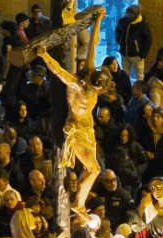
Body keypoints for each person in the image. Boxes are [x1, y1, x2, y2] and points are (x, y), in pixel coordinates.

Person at [34, 8, 107, 218]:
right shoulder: (76, 86)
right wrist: (45, 55)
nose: (95, 92)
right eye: (93, 89)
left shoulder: (91, 75)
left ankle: (79, 202)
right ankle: (79, 203)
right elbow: (57, 70)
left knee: (91, 170)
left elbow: (93, 45)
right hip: (77, 133)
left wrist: (98, 21)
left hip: (88, 130)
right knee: (94, 170)